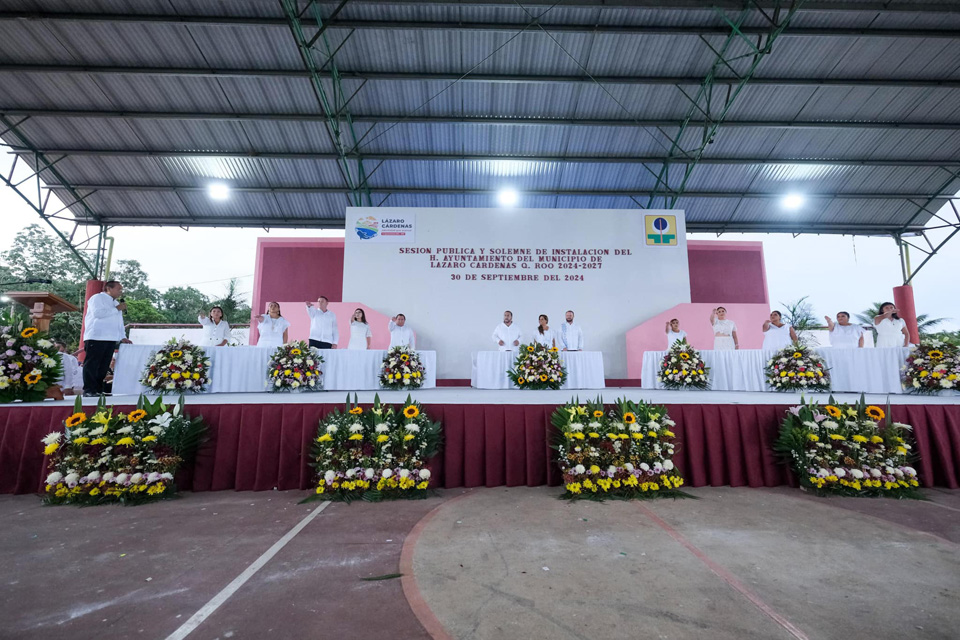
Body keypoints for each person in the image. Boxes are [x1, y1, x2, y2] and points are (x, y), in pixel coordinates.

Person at [82, 280, 132, 396]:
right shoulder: (97, 298)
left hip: (111, 338)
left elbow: (119, 322)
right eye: (118, 289)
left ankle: (98, 389)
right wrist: (117, 309)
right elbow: (98, 314)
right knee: (92, 364)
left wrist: (123, 336)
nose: (120, 292)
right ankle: (89, 390)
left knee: (104, 365)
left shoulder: (115, 303)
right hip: (96, 336)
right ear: (109, 288)